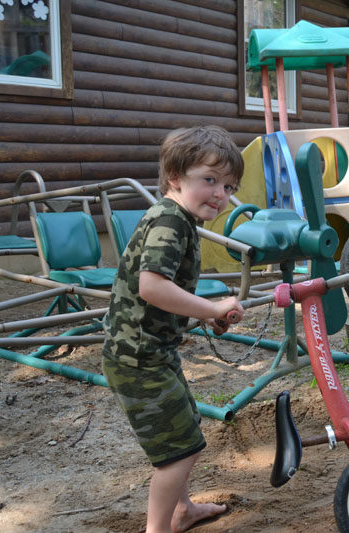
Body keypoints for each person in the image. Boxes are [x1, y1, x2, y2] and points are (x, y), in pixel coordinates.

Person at [102, 125, 245, 533]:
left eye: (229, 187)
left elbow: (169, 291)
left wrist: (205, 314)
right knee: (177, 453)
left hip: (152, 352)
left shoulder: (179, 219)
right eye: (210, 180)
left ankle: (182, 510)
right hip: (137, 359)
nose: (220, 194)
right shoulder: (171, 221)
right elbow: (152, 287)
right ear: (175, 178)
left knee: (186, 432)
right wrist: (212, 306)